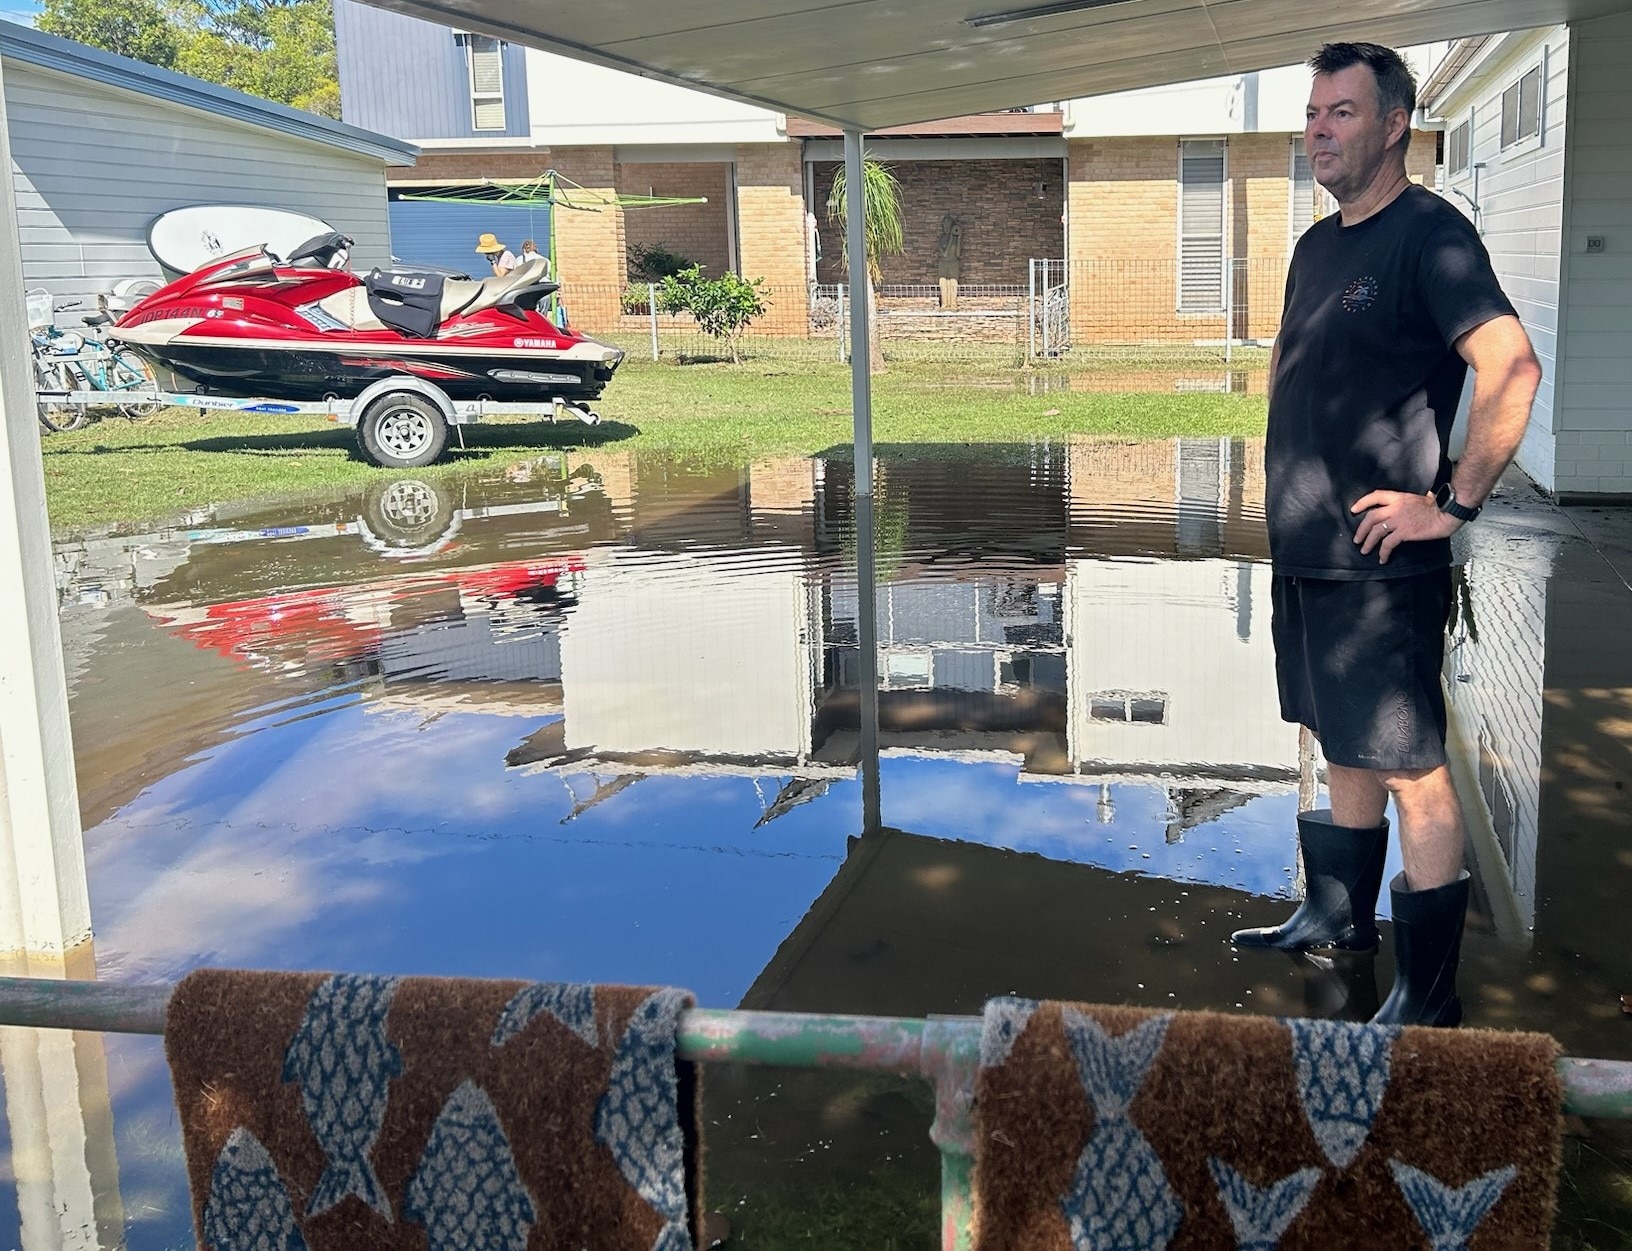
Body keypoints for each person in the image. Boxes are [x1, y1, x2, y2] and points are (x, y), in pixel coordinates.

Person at [1230, 42, 1541, 1028]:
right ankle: (1339, 919)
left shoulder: (1429, 238)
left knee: (1413, 764)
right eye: (1312, 114)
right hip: (1309, 549)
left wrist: (1449, 504)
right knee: (1342, 733)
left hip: (1381, 565)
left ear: (1395, 122)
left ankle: (1432, 992)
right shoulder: (1318, 246)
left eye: (1341, 114)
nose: (1317, 131)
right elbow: (1303, 371)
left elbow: (1510, 367)